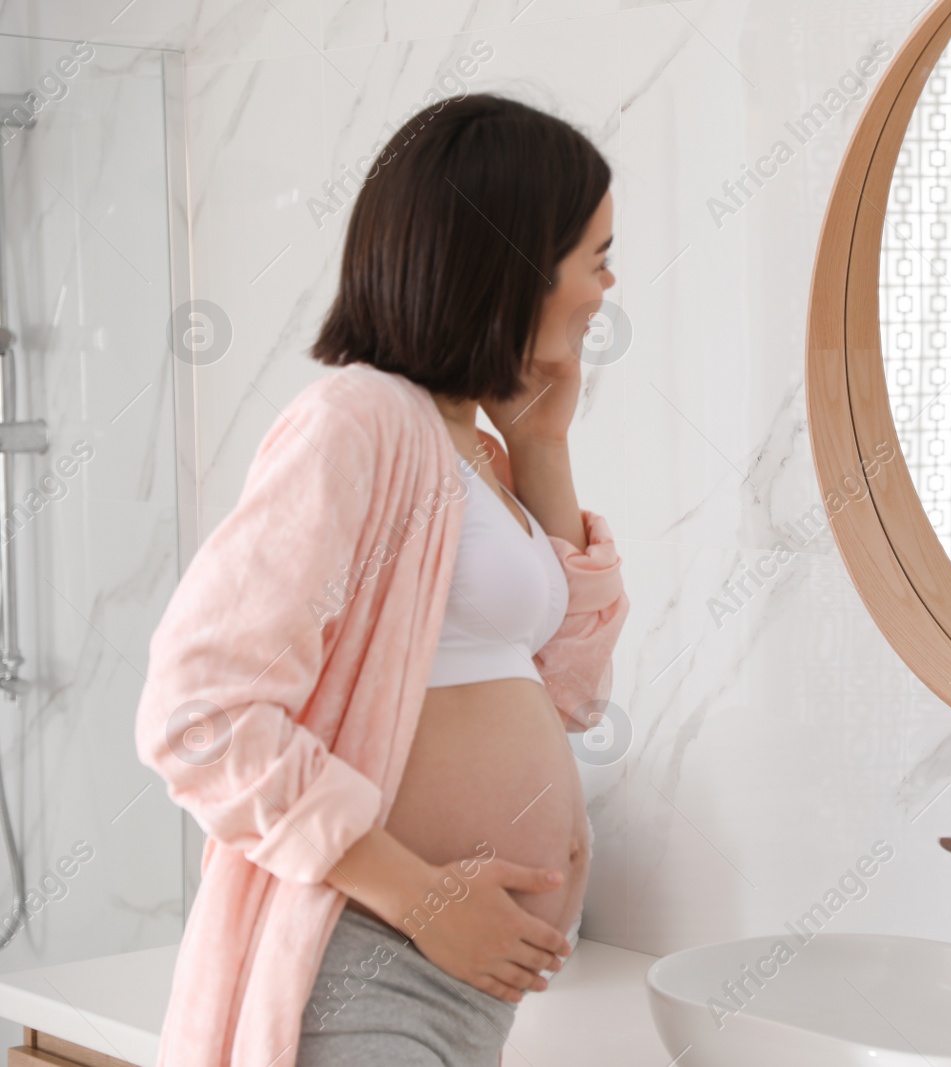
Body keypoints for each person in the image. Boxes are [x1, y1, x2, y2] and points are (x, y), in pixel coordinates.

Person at [133, 93, 628, 1067]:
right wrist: (427, 896)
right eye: (597, 254)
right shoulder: (358, 420)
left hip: (459, 993)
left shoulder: (474, 451)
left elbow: (571, 691)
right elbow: (199, 712)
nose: (609, 286)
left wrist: (541, 448)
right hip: (369, 967)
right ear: (518, 258)